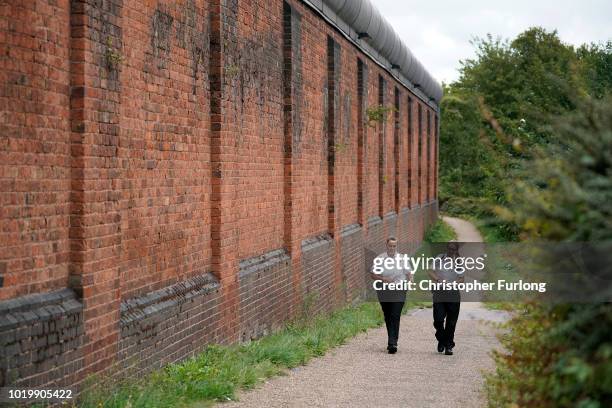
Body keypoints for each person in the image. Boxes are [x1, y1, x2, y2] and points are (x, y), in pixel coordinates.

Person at [369, 237, 413, 354]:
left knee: (395, 314)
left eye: (394, 246)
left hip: (399, 288)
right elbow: (373, 274)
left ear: (396, 247)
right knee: (388, 314)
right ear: (386, 246)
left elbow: (409, 274)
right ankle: (392, 339)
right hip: (384, 289)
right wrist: (383, 278)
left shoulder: (402, 258)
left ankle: (392, 343)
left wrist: (409, 284)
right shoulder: (380, 258)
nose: (392, 248)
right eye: (390, 246)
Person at [427, 241, 464, 355]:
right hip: (439, 292)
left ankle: (448, 346)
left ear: (456, 250)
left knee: (451, 322)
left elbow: (461, 278)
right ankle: (442, 339)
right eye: (449, 248)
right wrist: (438, 279)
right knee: (438, 320)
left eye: (453, 249)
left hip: (453, 293)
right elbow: (430, 271)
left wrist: (453, 284)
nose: (451, 251)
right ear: (446, 248)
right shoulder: (439, 258)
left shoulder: (459, 262)